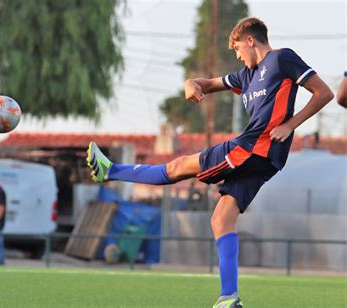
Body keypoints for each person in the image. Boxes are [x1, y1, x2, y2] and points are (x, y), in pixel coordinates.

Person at [86, 17, 333, 308]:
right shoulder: (246, 76)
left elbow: (324, 92)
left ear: (251, 40)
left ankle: (111, 170)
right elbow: (207, 83)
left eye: (238, 48)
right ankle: (229, 298)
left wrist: (291, 125)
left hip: (253, 149)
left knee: (177, 168)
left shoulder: (282, 59)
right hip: (264, 159)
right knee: (221, 219)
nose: (238, 55)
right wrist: (190, 84)